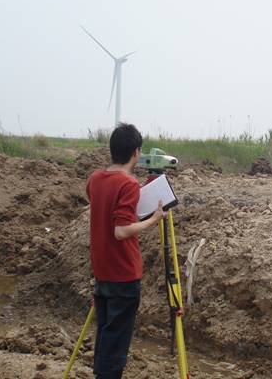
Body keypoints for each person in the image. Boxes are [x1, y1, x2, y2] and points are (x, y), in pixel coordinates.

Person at [86, 123, 165, 379]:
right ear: (136, 152)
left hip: (102, 271)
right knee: (116, 342)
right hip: (123, 274)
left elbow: (107, 207)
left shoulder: (95, 179)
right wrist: (153, 220)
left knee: (106, 334)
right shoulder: (128, 184)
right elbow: (121, 231)